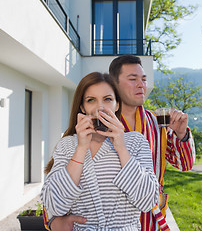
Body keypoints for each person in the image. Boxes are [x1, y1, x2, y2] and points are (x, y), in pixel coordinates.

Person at [46, 55, 196, 231]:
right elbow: (57, 185)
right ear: (114, 84)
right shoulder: (86, 129)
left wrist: (181, 133)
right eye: (133, 79)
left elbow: (184, 164)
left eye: (144, 79)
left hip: (149, 220)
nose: (141, 85)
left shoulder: (158, 122)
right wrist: (52, 222)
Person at [41, 72, 159, 231]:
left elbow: (149, 201)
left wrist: (121, 148)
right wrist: (81, 148)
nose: (100, 107)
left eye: (108, 99)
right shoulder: (68, 144)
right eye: (91, 100)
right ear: (82, 107)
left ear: (117, 105)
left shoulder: (135, 141)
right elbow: (54, 206)